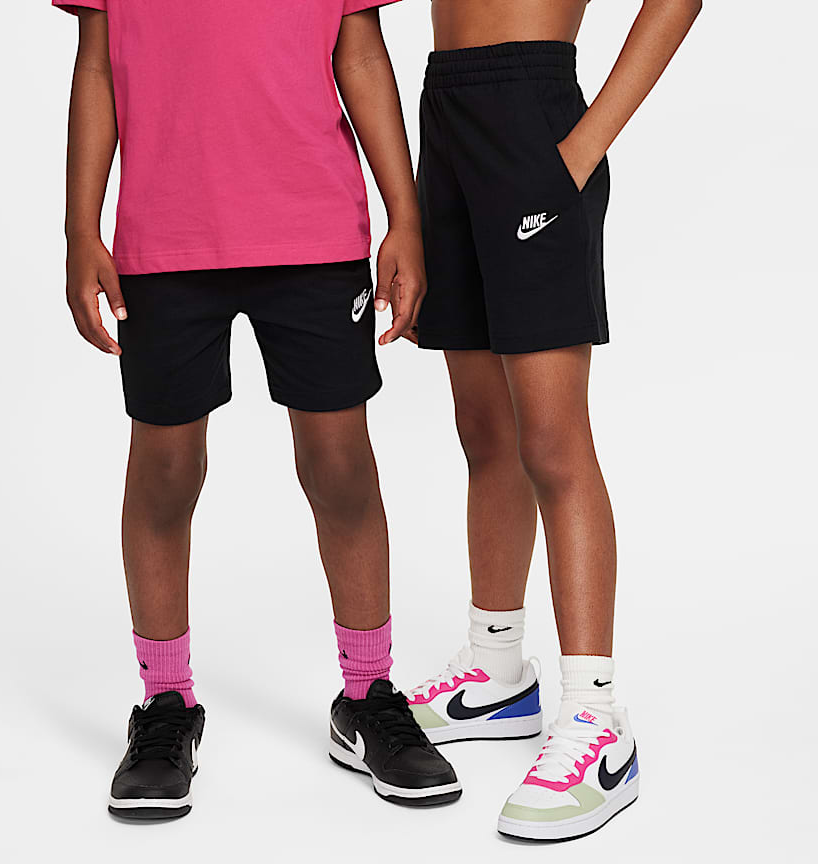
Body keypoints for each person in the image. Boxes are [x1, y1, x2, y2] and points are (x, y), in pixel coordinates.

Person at [54, 0, 460, 819]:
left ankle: (368, 694)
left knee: (340, 464)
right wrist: (79, 228)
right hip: (166, 233)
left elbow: (362, 56)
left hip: (313, 224)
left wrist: (405, 217)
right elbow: (96, 65)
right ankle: (165, 703)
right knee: (166, 468)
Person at [407, 0, 701, 840]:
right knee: (484, 433)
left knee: (551, 441)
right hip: (445, 108)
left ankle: (597, 721)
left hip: (532, 112)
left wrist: (577, 151)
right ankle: (496, 670)